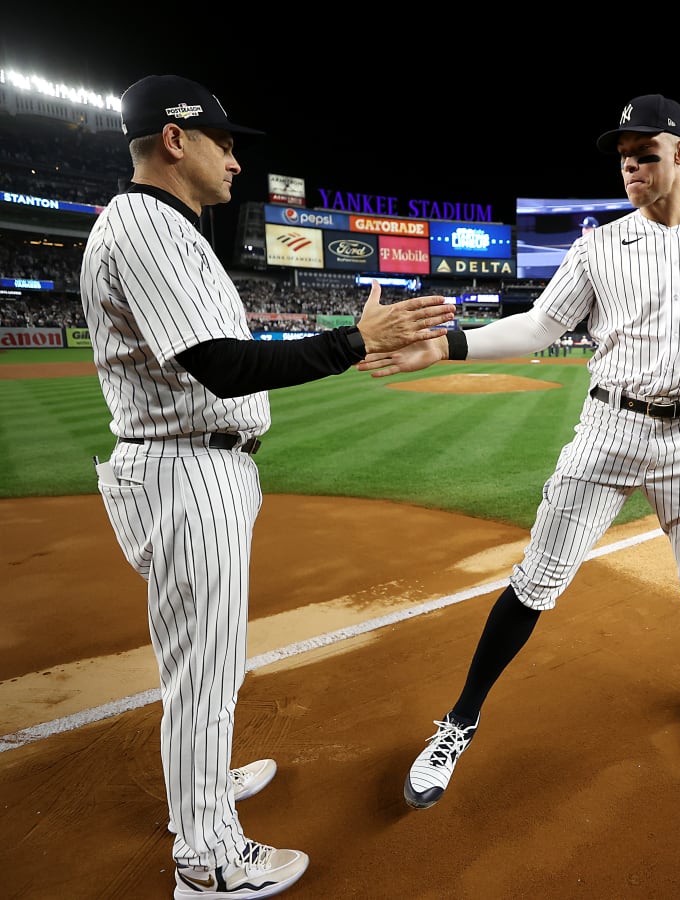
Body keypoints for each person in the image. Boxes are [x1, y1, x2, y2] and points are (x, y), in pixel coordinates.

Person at [80, 74, 454, 899]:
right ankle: (207, 860)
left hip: (196, 464)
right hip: (185, 467)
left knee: (207, 665)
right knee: (205, 674)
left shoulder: (165, 228)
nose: (236, 159)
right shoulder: (145, 228)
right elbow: (220, 363)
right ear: (175, 140)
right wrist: (351, 341)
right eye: (224, 141)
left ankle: (200, 796)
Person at [359, 93, 680, 809]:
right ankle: (458, 723)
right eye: (624, 159)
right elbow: (536, 328)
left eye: (645, 155)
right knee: (536, 580)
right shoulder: (598, 246)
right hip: (608, 431)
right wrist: (439, 346)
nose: (631, 169)